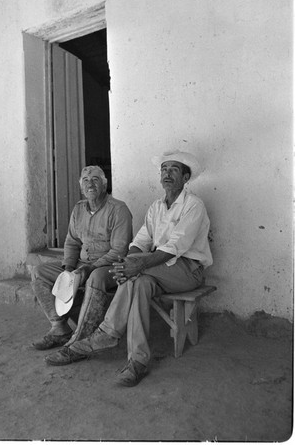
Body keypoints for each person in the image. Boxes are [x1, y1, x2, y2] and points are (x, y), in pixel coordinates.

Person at [45, 151, 213, 388]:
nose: (167, 174)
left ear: (186, 177)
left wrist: (138, 264)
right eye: (164, 169)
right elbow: (140, 241)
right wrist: (129, 262)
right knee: (138, 283)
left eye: (174, 169)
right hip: (157, 269)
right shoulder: (156, 207)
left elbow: (176, 246)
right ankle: (137, 362)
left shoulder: (194, 205)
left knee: (137, 275)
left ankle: (107, 332)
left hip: (187, 269)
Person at [32, 165, 133, 350]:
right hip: (80, 265)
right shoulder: (78, 209)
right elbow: (72, 242)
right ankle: (59, 328)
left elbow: (119, 251)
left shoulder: (118, 209)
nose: (90, 184)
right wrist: (68, 269)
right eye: (86, 180)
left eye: (95, 179)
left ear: (104, 184)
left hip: (108, 267)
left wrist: (90, 268)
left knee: (94, 277)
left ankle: (82, 338)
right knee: (40, 272)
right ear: (81, 187)